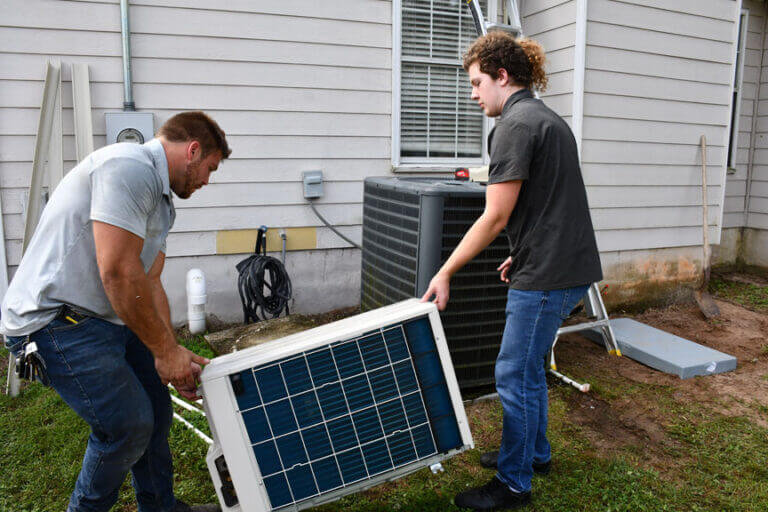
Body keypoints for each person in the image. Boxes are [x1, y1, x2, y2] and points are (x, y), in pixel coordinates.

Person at [2, 112, 231, 512]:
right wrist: (163, 352)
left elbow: (150, 281)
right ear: (193, 151)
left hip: (104, 318)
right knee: (127, 426)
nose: (207, 181)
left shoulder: (163, 205)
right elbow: (119, 273)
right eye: (209, 169)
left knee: (158, 414)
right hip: (55, 321)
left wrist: (171, 354)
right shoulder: (128, 167)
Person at [421, 32, 603, 510]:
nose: (474, 93)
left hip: (548, 274)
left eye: (478, 82)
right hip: (562, 263)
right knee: (530, 368)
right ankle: (534, 453)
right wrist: (521, 251)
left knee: (513, 372)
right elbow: (550, 203)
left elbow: (495, 216)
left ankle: (513, 482)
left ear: (503, 76)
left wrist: (444, 272)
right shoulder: (545, 119)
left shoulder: (515, 126)